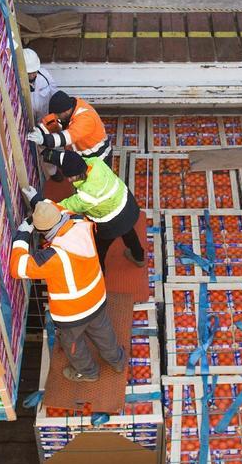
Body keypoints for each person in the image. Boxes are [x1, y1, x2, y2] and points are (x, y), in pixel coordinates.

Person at [10, 201, 126, 382]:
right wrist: (40, 202)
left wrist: (22, 236)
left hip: (72, 314)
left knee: (73, 344)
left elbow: (18, 268)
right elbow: (64, 211)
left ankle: (88, 373)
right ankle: (117, 361)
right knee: (103, 332)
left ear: (42, 232)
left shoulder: (52, 257)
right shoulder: (81, 223)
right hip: (96, 299)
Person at [23, 151, 145, 272]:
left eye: (71, 177)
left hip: (112, 223)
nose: (69, 180)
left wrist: (35, 200)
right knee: (129, 232)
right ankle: (139, 257)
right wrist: (52, 155)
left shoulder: (87, 195)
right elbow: (70, 159)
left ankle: (100, 271)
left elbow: (61, 207)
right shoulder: (94, 162)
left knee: (99, 249)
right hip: (127, 206)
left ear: (78, 174)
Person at [27, 91, 113, 173]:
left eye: (57, 115)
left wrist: (44, 140)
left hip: (99, 159)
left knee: (87, 180)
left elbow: (67, 137)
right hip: (82, 155)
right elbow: (53, 121)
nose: (56, 117)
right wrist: (40, 129)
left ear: (66, 111)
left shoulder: (86, 119)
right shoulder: (68, 107)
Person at [23, 48, 57, 123]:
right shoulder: (16, 83)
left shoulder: (45, 76)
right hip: (27, 121)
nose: (32, 75)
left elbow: (54, 94)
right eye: (29, 73)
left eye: (34, 72)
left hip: (44, 118)